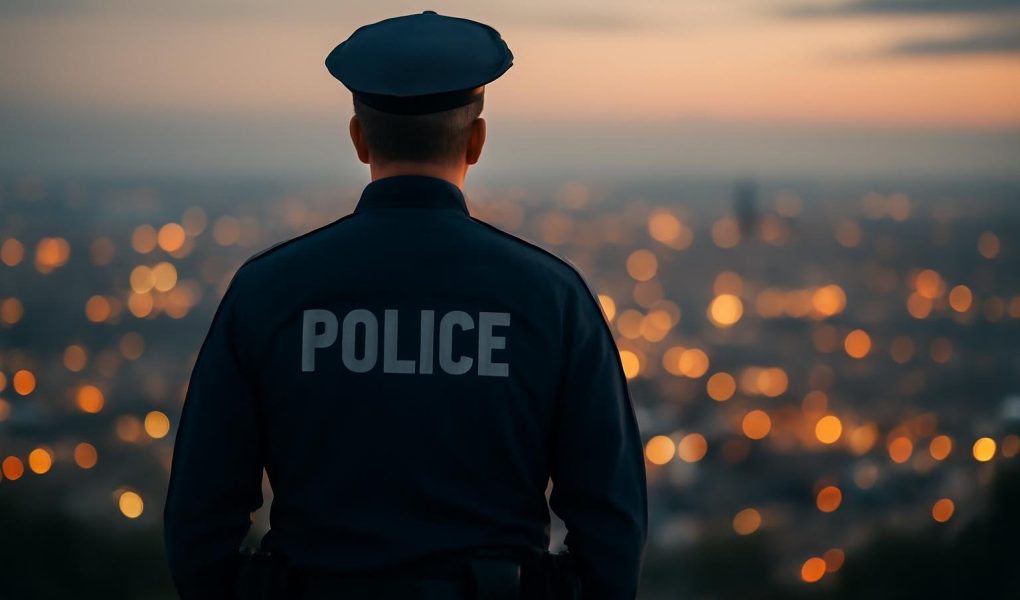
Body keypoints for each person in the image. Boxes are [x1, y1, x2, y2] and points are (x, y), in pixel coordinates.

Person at [164, 11, 647, 600]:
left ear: (358, 138)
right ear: (477, 140)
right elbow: (614, 527)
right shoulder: (551, 297)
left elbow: (197, 523)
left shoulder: (268, 291)